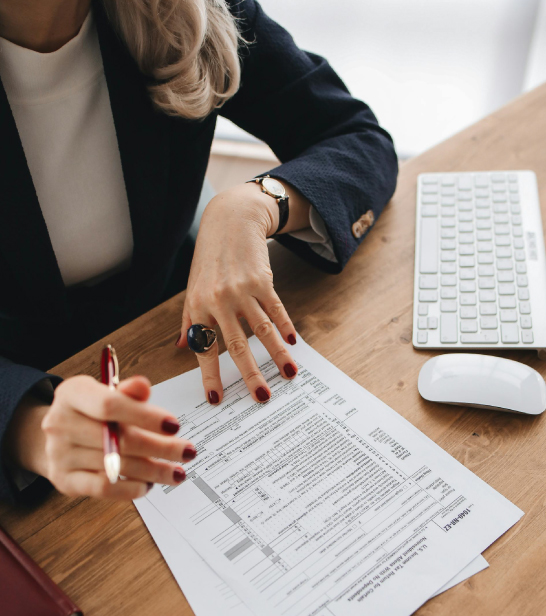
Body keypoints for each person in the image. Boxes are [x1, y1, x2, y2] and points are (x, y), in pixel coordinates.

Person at [0, 0, 398, 503]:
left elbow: (354, 136)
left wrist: (256, 202)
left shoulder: (193, 10)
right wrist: (27, 429)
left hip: (172, 334)